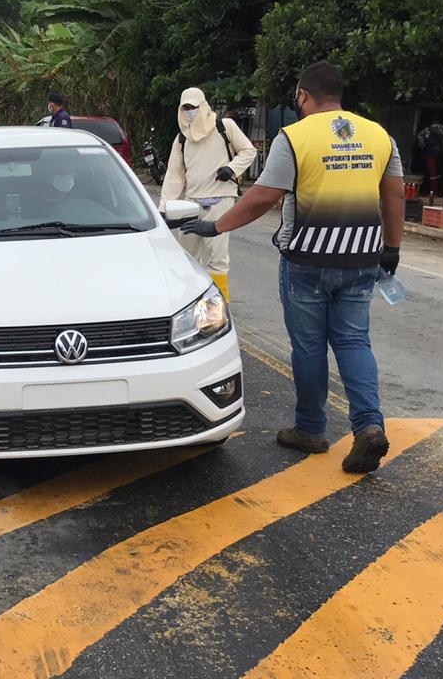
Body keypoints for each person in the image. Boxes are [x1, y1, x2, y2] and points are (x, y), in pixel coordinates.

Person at [183, 61, 404, 474]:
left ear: (303, 95)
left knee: (308, 347)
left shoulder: (294, 137)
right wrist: (391, 248)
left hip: (308, 260)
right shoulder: (379, 136)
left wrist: (215, 225)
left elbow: (263, 197)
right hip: (361, 259)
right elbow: (393, 195)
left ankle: (310, 429)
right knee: (355, 342)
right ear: (340, 96)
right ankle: (369, 426)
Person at [159, 88, 257, 301]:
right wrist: (165, 208)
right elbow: (174, 175)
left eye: (193, 107)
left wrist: (231, 169)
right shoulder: (182, 139)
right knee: (187, 257)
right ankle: (189, 302)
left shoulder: (224, 127)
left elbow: (249, 151)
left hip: (221, 201)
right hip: (191, 203)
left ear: (203, 106)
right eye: (185, 108)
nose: (190, 112)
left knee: (218, 259)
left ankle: (220, 305)